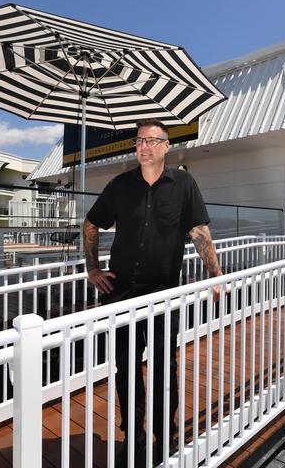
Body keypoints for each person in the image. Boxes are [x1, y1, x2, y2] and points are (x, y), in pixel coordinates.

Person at [82, 119, 223, 467]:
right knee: (125, 369)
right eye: (139, 140)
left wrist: (216, 275)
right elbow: (90, 224)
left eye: (151, 140)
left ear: (165, 146)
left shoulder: (184, 184)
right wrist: (92, 269)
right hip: (121, 296)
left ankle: (166, 435)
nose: (143, 146)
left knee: (164, 367)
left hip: (162, 296)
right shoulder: (120, 186)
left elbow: (199, 231)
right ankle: (133, 434)